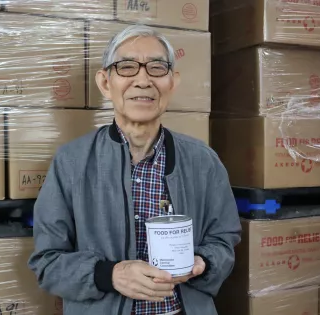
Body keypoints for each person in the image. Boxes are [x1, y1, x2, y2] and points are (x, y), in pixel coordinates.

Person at [28, 24, 242, 315]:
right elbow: (47, 262)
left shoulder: (203, 161)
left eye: (157, 68)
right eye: (126, 67)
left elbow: (224, 241)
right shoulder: (72, 162)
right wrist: (110, 275)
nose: (143, 80)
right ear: (105, 82)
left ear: (173, 82)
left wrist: (203, 262)